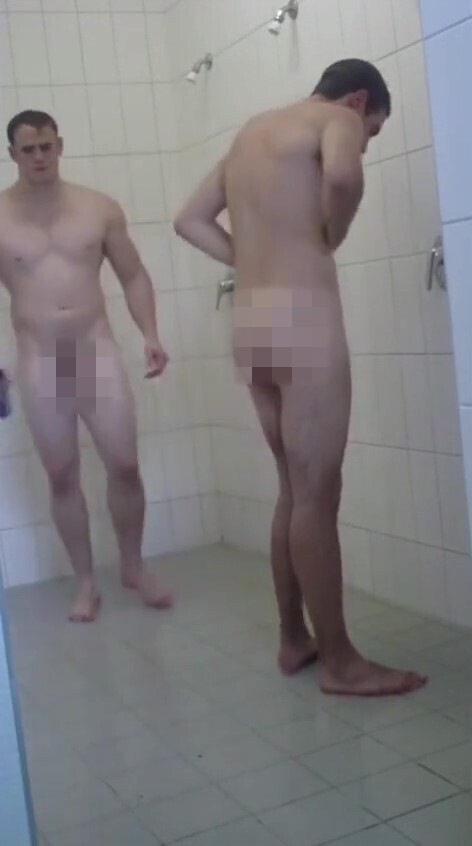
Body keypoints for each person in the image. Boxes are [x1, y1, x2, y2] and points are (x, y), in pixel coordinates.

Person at [174, 59, 427, 696]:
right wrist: (330, 233)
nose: (364, 141)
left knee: (293, 488)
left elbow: (190, 219)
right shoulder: (334, 120)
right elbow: (342, 174)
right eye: (373, 131)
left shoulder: (251, 135)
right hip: (304, 317)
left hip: (255, 317)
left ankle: (294, 638)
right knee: (317, 494)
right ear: (360, 101)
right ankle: (341, 663)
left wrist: (250, 258)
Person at [0, 110, 173, 623]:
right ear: (12, 155)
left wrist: (150, 333)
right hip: (40, 360)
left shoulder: (98, 208)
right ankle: (85, 583)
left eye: (46, 146)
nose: (39, 157)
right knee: (61, 474)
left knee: (124, 464)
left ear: (60, 146)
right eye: (28, 149)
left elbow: (133, 274)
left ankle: (133, 567)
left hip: (95, 351)